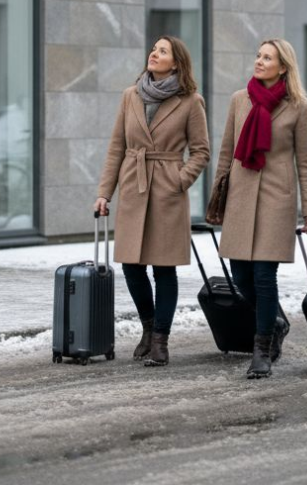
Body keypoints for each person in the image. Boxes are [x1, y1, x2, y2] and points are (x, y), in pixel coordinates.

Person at [207, 39, 307, 379]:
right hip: (241, 196)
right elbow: (226, 151)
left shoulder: (298, 107)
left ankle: (262, 350)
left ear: (283, 66)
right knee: (241, 276)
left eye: (267, 57)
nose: (259, 61)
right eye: (258, 55)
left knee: (263, 275)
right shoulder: (239, 100)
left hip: (276, 198)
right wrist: (218, 197)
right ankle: (275, 322)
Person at [95, 36, 210, 367]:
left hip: (166, 189)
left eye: (162, 51)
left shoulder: (190, 101)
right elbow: (117, 146)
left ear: (176, 63)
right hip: (134, 185)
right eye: (154, 49)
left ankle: (160, 340)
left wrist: (179, 179)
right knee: (131, 265)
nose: (154, 54)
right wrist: (105, 192)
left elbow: (201, 151)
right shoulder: (131, 96)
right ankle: (148, 327)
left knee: (163, 267)